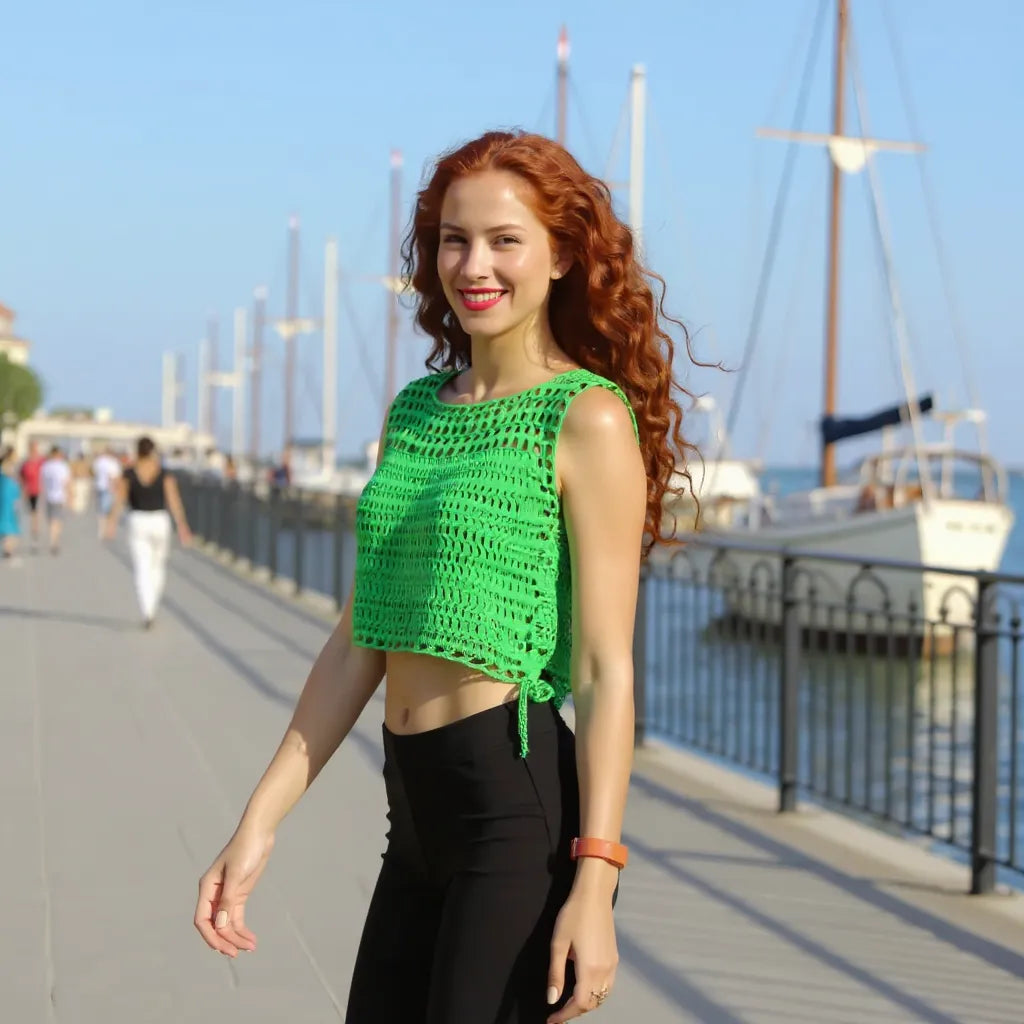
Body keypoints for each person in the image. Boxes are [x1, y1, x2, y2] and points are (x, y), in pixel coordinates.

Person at [194, 130, 698, 1023]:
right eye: (454, 239)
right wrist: (259, 820)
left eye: (506, 240)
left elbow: (604, 671)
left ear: (564, 255)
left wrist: (596, 881)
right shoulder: (417, 411)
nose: (475, 265)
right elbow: (362, 635)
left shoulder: (586, 418)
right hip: (411, 812)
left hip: (511, 810)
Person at [104, 436, 193, 628]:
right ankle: (153, 603)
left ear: (137, 451)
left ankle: (147, 609)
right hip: (160, 520)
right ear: (153, 451)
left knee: (141, 567)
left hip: (137, 520)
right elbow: (174, 500)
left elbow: (119, 499)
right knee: (158, 565)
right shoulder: (164, 473)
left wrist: (111, 523)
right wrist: (182, 525)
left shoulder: (129, 473)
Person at [39, 446, 71, 554]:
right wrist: (70, 497)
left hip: (48, 496)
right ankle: (55, 541)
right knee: (58, 520)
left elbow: (42, 482)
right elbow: (66, 482)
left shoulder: (45, 466)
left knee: (51, 519)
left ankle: (53, 540)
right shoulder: (62, 467)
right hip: (59, 497)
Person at [18, 439, 44, 549]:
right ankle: (31, 534)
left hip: (39, 491)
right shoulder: (26, 463)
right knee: (30, 514)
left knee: (36, 513)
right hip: (29, 491)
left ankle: (35, 535)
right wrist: (23, 488)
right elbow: (21, 476)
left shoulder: (42, 462)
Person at [92, 446, 122, 536]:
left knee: (101, 510)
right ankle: (108, 530)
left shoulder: (99, 461)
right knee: (109, 510)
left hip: (99, 487)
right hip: (109, 488)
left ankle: (102, 529)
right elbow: (114, 477)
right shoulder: (113, 463)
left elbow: (94, 472)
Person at [0, 446, 22, 562]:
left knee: (6, 518)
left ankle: (7, 546)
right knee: (9, 519)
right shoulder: (8, 465)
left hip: (6, 492)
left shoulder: (5, 463)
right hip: (8, 493)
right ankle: (8, 548)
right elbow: (12, 478)